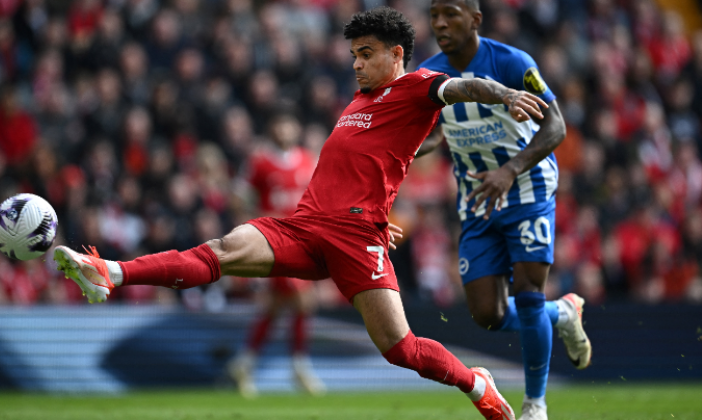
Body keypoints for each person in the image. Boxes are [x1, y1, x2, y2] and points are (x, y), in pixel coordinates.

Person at [54, 7, 546, 419]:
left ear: (397, 54)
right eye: (354, 54)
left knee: (400, 349)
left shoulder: (418, 86)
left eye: (367, 54)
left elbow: (460, 88)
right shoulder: (359, 101)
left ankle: (475, 382)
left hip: (355, 238)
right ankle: (110, 272)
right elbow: (368, 162)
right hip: (305, 225)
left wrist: (504, 94)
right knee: (222, 250)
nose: (356, 64)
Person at [415, 1, 591, 419]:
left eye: (451, 13)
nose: (440, 22)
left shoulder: (513, 62)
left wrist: (510, 170)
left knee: (528, 296)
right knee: (487, 315)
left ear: (475, 19)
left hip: (526, 188)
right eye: (435, 14)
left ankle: (535, 405)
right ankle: (563, 312)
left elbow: (556, 126)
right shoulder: (427, 72)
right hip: (477, 198)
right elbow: (433, 131)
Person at [227, 112, 326, 397]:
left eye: (290, 122)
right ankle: (299, 366)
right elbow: (238, 195)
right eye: (280, 123)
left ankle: (243, 364)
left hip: (304, 243)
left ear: (296, 127)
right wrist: (255, 223)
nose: (285, 128)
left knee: (274, 307)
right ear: (272, 128)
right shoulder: (260, 161)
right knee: (304, 300)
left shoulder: (308, 159)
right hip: (274, 242)